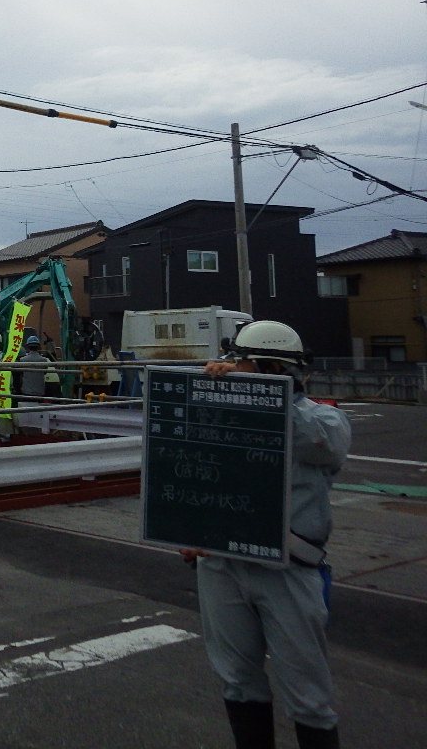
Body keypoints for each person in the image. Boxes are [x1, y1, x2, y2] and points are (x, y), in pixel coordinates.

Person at [184, 320, 350, 749]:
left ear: (272, 367)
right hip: (221, 562)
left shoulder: (323, 422)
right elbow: (195, 469)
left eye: (241, 362)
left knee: (308, 696)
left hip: (287, 569)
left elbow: (318, 442)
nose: (231, 369)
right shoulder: (221, 408)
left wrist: (256, 395)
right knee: (238, 681)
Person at [17, 335, 47, 400]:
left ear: (28, 346)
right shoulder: (44, 360)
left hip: (26, 391)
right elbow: (45, 372)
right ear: (38, 346)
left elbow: (21, 374)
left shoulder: (23, 360)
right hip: (40, 392)